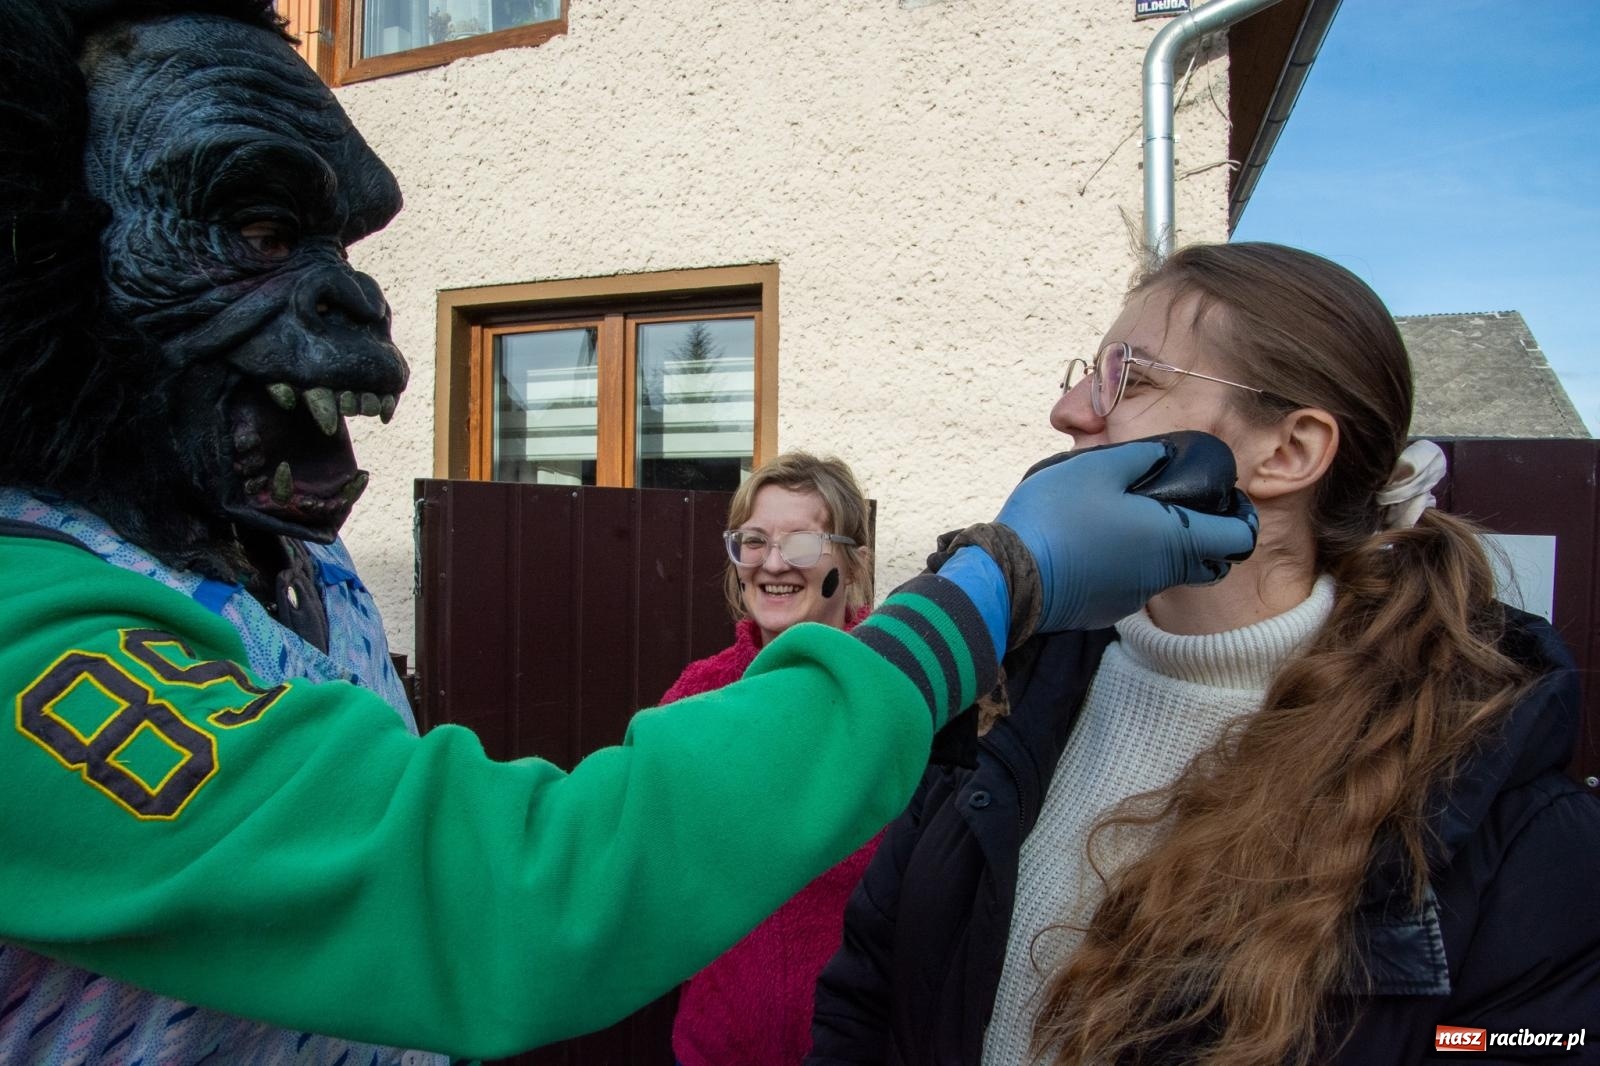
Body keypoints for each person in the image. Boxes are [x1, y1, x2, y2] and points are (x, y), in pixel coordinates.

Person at [0, 1, 1261, 1061]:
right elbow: (511, 891)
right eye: (264, 231)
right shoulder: (23, 624)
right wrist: (996, 587)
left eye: (1133, 375)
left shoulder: (284, 557)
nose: (361, 296)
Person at [808, 242, 1600, 1066]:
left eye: (1133, 378)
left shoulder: (1514, 832)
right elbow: (867, 998)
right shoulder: (1006, 694)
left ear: (1288, 452)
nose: (1071, 410)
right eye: (1090, 371)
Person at [666, 452, 878, 1066]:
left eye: (803, 543)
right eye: (754, 541)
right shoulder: (695, 698)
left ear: (852, 560)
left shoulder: (894, 697)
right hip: (716, 1047)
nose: (774, 564)